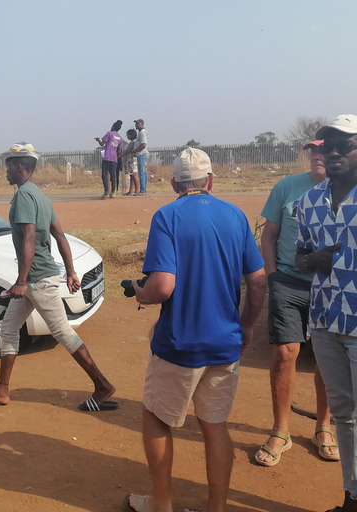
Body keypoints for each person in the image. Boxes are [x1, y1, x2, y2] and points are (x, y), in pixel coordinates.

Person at [125, 148, 266, 512]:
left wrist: (140, 292)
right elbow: (258, 281)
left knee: (156, 418)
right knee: (215, 426)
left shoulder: (168, 216)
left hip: (179, 342)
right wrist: (247, 326)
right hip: (224, 343)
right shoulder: (235, 215)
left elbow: (162, 287)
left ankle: (162, 504)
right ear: (210, 181)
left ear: (173, 183)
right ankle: (217, 507)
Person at [0, 143, 117, 411]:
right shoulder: (40, 195)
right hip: (36, 278)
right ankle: (1, 390)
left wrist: (22, 282)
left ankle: (103, 385)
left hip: (36, 279)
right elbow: (60, 236)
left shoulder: (25, 195)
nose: (5, 172)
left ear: (18, 167)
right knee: (9, 328)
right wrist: (70, 272)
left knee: (62, 332)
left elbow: (29, 239)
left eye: (8, 167)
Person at [255, 139, 337, 467]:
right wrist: (273, 275)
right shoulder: (288, 187)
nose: (317, 155)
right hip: (288, 281)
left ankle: (324, 427)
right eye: (312, 150)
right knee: (284, 352)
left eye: (324, 149)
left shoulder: (348, 190)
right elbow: (269, 235)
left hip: (330, 286)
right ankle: (281, 430)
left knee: (327, 357)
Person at [295, 114, 357, 512]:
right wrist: (310, 261)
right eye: (325, 146)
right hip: (325, 320)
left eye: (343, 145)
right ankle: (352, 496)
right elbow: (299, 255)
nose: (332, 152)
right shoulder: (309, 201)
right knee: (344, 415)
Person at [95, 120, 124, 198]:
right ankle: (113, 191)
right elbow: (119, 150)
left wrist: (98, 140)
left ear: (113, 126)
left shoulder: (109, 133)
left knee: (104, 174)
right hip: (114, 158)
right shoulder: (120, 138)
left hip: (107, 157)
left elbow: (102, 143)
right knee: (113, 175)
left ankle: (106, 191)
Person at [118, 129, 140, 196]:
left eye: (128, 135)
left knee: (135, 176)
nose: (127, 136)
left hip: (132, 161)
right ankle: (131, 191)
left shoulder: (133, 142)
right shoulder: (131, 142)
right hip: (129, 161)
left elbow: (127, 151)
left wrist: (118, 156)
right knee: (131, 176)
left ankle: (137, 191)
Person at [134, 119, 149, 195]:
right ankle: (143, 189)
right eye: (136, 124)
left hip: (142, 154)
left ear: (142, 124)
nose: (136, 125)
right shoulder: (140, 132)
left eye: (138, 124)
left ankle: (143, 190)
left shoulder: (142, 132)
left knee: (142, 173)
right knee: (143, 173)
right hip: (142, 154)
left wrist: (135, 151)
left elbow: (143, 145)